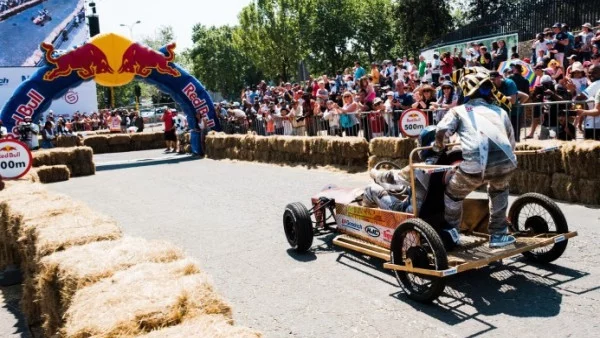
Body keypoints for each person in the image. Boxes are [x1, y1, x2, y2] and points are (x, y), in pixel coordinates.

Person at [434, 71, 517, 248]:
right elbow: (511, 141)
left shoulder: (458, 111)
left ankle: (452, 233)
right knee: (499, 192)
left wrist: (438, 147)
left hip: (475, 166)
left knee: (452, 195)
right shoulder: (500, 111)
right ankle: (498, 235)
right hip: (506, 163)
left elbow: (441, 132)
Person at [363, 126, 460, 248]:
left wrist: (375, 174)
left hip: (414, 214)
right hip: (442, 213)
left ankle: (367, 225)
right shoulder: (454, 165)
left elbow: (392, 178)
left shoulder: (420, 168)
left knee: (371, 189)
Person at [576, 65, 600, 140]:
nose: (590, 75)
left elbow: (580, 97)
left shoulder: (596, 83)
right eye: (589, 73)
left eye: (594, 73)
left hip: (593, 125)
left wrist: (573, 90)